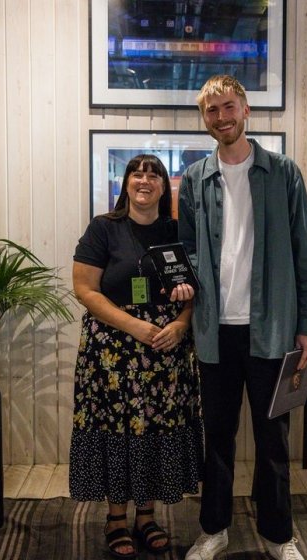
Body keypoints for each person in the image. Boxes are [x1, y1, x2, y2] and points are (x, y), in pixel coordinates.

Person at [178, 75, 307, 560]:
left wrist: (306, 325)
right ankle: (213, 529)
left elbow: (306, 254)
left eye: (228, 107)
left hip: (273, 332)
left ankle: (280, 536)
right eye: (212, 111)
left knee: (273, 441)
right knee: (216, 439)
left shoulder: (283, 173)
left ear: (246, 110)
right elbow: (186, 252)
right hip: (214, 335)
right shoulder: (195, 178)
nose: (221, 118)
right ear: (206, 119)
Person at [70, 154, 203, 559]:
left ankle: (146, 515)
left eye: (154, 175)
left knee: (155, 429)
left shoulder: (179, 231)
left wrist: (181, 323)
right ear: (125, 183)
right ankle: (115, 517)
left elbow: (197, 288)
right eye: (136, 173)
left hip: (166, 350)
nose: (144, 180)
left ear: (165, 187)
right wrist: (134, 326)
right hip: (112, 350)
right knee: (116, 428)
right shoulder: (103, 229)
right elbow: (85, 290)